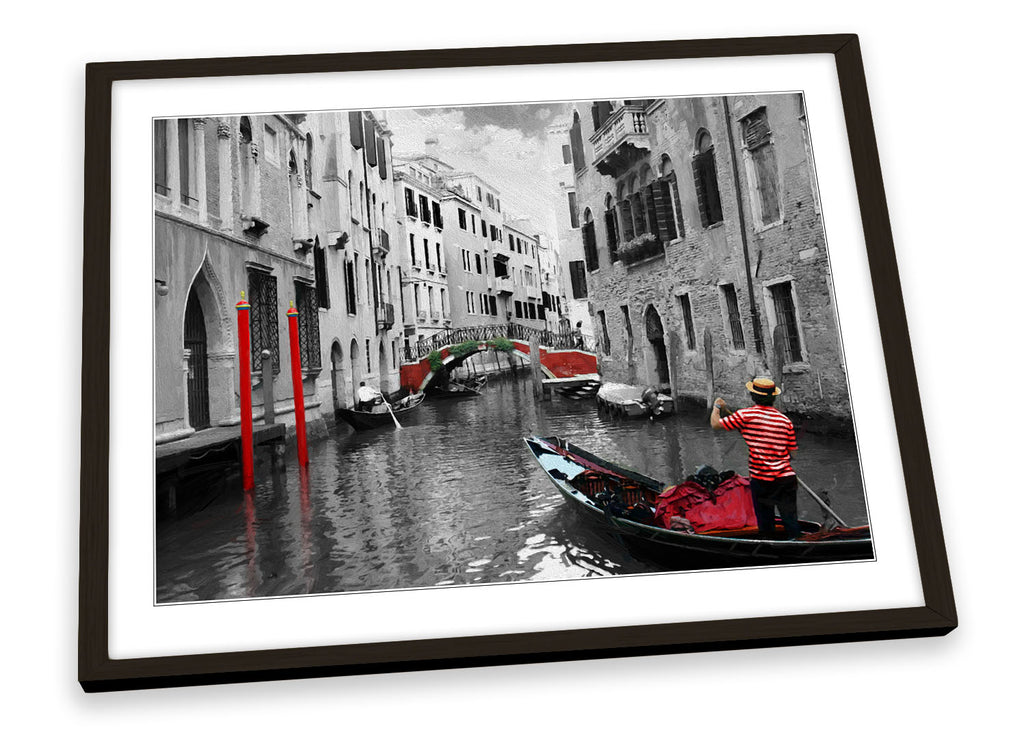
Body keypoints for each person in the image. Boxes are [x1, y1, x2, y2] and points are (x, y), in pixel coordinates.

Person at [709, 377, 800, 539]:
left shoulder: (745, 415)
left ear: (753, 396)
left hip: (762, 480)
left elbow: (716, 424)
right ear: (773, 397)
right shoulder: (785, 421)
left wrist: (717, 407)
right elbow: (793, 454)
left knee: (766, 523)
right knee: (791, 520)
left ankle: (771, 550)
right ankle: (797, 544)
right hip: (786, 479)